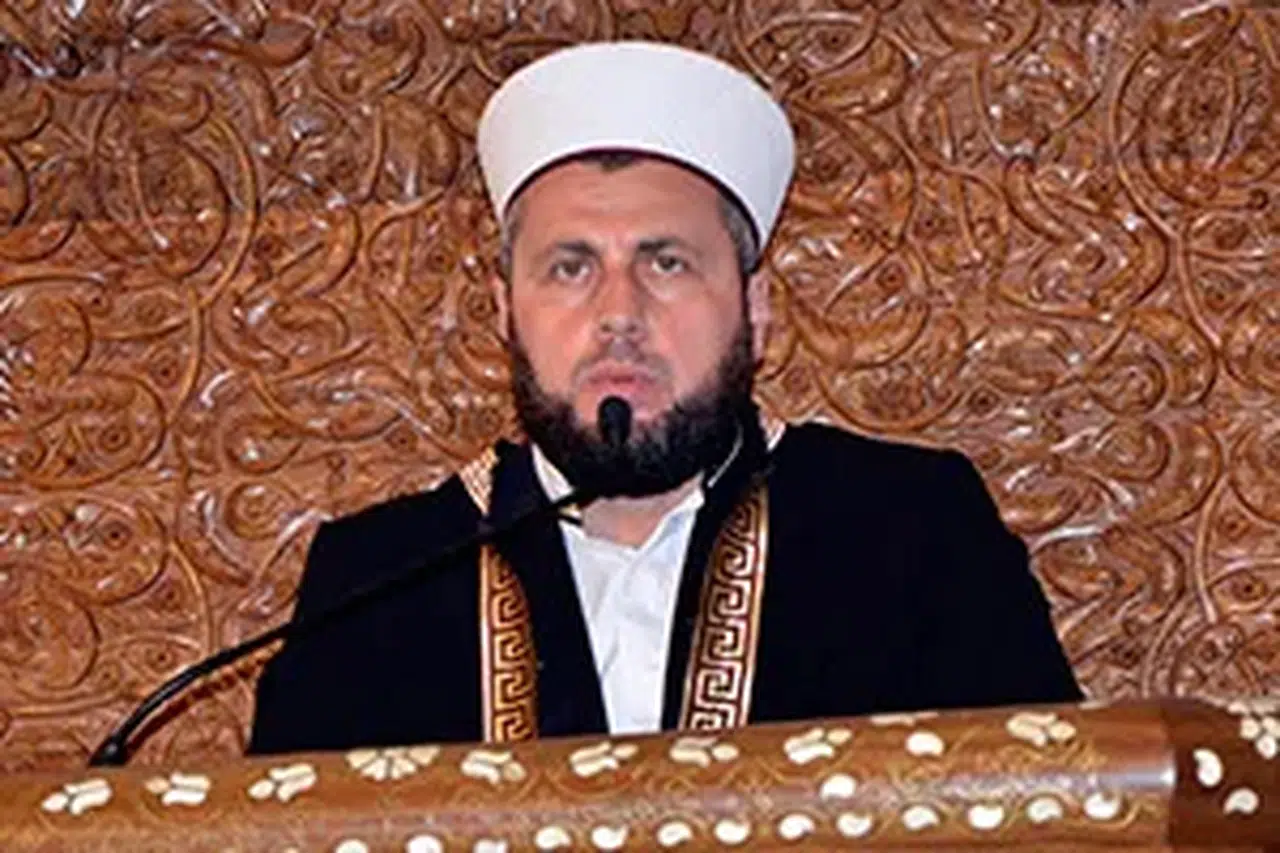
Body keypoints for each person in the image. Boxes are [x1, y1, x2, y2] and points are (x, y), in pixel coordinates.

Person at [247, 41, 1081, 755]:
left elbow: (1045, 816)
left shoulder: (912, 532)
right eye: (570, 267)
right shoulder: (376, 582)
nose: (620, 313)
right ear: (504, 312)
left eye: (667, 262)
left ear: (754, 308)